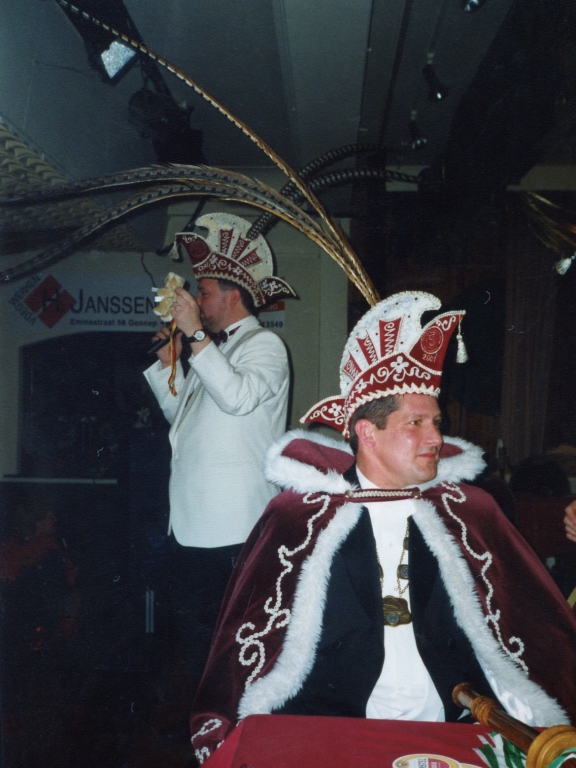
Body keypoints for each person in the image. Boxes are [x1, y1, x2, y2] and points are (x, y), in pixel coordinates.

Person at [189, 291, 576, 764]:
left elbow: (529, 626)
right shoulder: (298, 516)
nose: (437, 437)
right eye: (416, 423)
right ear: (367, 433)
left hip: (452, 716)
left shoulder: (469, 510)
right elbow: (243, 644)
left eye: (436, 421)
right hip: (332, 724)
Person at [144, 213, 296, 682]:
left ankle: (229, 720)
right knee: (196, 644)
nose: (197, 301)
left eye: (204, 293)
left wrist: (194, 336)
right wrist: (168, 367)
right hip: (192, 526)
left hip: (233, 529)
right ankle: (203, 717)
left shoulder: (264, 345)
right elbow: (184, 423)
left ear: (233, 297)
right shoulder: (212, 351)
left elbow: (237, 398)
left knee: (230, 646)